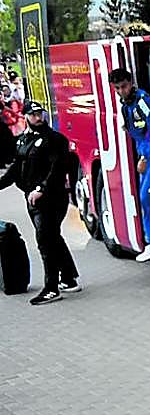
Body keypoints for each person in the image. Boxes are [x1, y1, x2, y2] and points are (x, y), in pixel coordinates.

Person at [0, 100, 81, 305]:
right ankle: (69, 279)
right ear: (26, 116)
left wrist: (40, 189)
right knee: (52, 237)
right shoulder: (23, 140)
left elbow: (57, 169)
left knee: (45, 240)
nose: (38, 118)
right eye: (33, 114)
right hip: (33, 199)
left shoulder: (54, 139)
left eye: (40, 114)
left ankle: (51, 287)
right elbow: (16, 169)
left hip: (52, 197)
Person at [108, 68, 150, 262]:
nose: (121, 91)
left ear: (131, 82)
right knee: (145, 200)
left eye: (123, 86)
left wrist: (145, 157)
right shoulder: (126, 105)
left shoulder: (143, 102)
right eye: (117, 88)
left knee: (147, 197)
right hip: (146, 156)